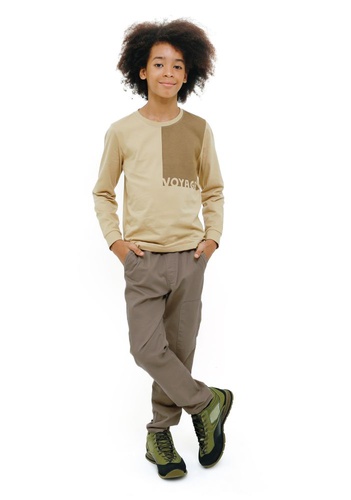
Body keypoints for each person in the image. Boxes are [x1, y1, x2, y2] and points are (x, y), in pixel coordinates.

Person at [92, 18, 233, 480]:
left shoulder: (199, 129)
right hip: (143, 260)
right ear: (142, 71)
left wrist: (212, 239)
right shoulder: (122, 131)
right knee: (147, 348)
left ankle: (159, 434)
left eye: (177, 65)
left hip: (190, 258)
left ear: (188, 74)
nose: (168, 72)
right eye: (159, 64)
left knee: (179, 350)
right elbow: (103, 192)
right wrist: (117, 244)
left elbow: (213, 189)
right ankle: (207, 402)